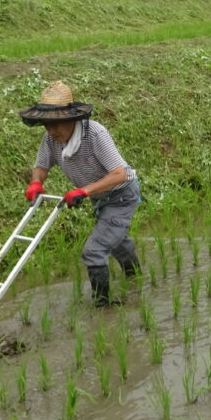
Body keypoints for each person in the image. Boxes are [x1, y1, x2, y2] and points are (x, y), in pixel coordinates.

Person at [19, 81, 141, 307]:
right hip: (99, 197)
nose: (52, 131)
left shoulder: (94, 133)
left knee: (94, 250)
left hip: (121, 196)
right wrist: (36, 184)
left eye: (56, 125)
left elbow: (119, 174)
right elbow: (41, 167)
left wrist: (83, 191)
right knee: (116, 242)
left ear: (72, 119)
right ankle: (136, 279)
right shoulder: (51, 139)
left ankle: (103, 307)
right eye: (47, 125)